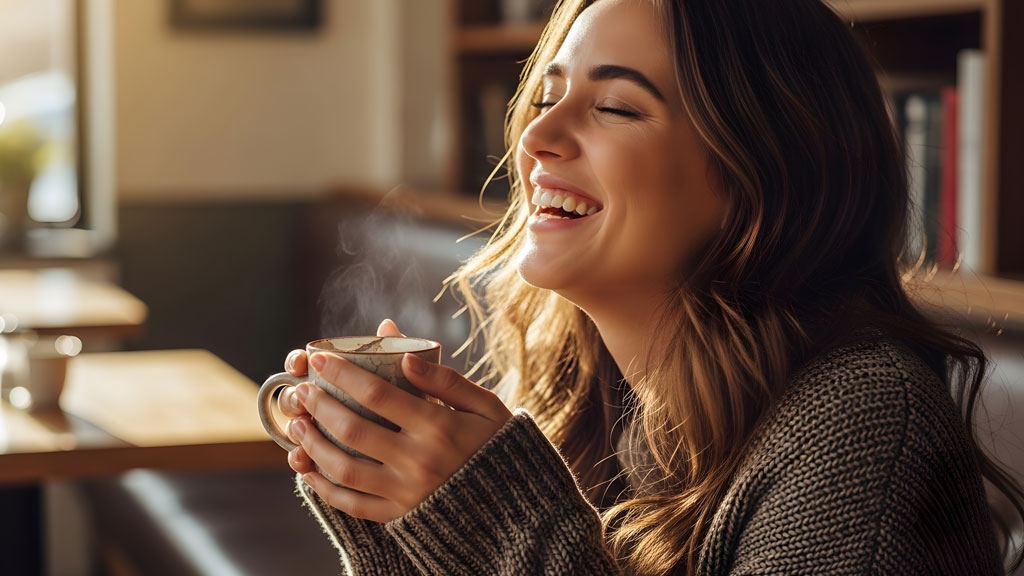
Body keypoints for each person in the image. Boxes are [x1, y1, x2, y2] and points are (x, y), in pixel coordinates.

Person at [276, 0, 1024, 573]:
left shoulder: (862, 424)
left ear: (760, 175)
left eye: (615, 107)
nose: (536, 138)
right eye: (547, 94)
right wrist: (400, 527)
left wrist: (497, 522)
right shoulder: (593, 392)